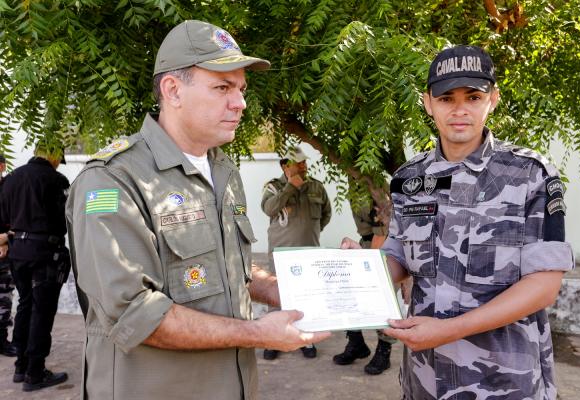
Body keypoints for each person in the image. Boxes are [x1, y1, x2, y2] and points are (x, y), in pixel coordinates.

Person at [65, 20, 330, 400]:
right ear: (173, 90)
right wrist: (258, 333)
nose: (239, 102)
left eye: (240, 88)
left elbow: (227, 267)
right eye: (222, 87)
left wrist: (278, 290)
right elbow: (135, 314)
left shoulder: (223, 170)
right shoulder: (112, 180)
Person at [342, 45, 573, 399]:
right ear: (427, 103)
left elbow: (543, 286)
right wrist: (358, 269)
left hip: (505, 383)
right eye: (447, 98)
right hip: (426, 379)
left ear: (492, 99)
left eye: (473, 96)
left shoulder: (531, 175)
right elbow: (399, 256)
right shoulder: (408, 179)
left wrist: (450, 329)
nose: (460, 109)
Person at [0, 143, 71, 391]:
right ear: (52, 155)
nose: (57, 163)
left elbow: (3, 219)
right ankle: (35, 372)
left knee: (26, 305)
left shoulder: (10, 179)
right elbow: (66, 220)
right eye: (57, 158)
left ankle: (21, 366)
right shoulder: (56, 180)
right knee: (42, 310)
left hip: (17, 253)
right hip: (45, 253)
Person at [261, 146, 332, 360]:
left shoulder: (316, 187)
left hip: (308, 250)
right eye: (298, 163)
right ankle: (274, 339)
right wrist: (290, 187)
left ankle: (306, 338)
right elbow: (269, 209)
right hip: (281, 252)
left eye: (304, 162)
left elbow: (326, 214)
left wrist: (310, 232)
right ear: (285, 166)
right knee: (277, 294)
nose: (303, 166)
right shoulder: (273, 187)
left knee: (307, 296)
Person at [333, 204, 397, 375]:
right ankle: (357, 344)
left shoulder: (374, 186)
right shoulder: (354, 186)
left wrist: (372, 260)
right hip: (365, 243)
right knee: (352, 296)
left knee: (382, 302)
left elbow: (382, 231)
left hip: (383, 247)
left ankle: (384, 351)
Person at [0, 154, 17, 357]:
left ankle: (1, 340)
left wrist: (5, 239)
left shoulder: (8, 188)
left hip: (5, 253)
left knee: (4, 298)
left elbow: (16, 216)